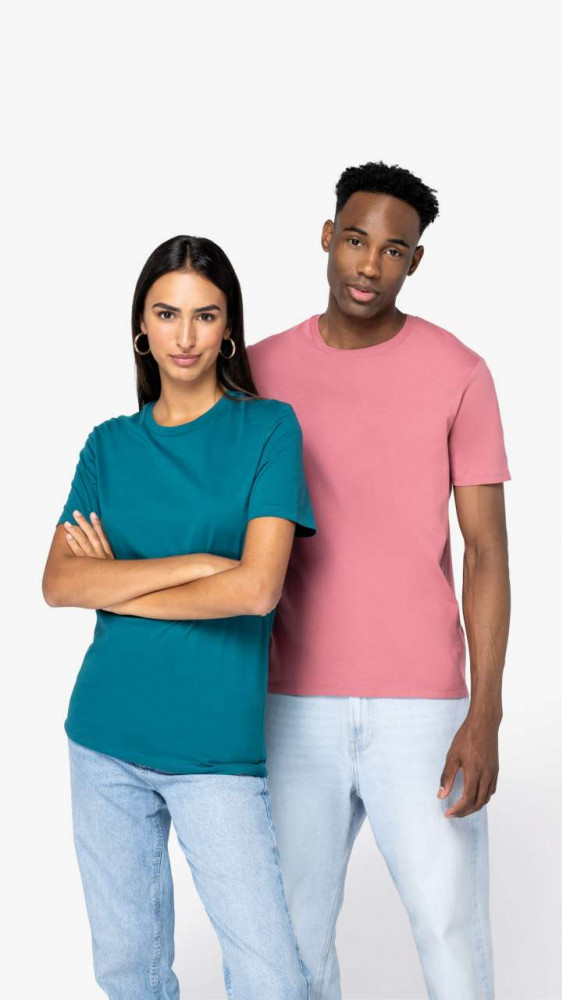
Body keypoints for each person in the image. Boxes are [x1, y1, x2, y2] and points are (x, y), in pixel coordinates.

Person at [247, 161, 511, 1000]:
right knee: (287, 942)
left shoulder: (458, 371)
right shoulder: (255, 371)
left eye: (393, 251)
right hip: (288, 703)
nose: (369, 265)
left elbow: (486, 551)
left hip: (423, 709)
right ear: (328, 237)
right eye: (356, 240)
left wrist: (485, 712)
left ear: (415, 262)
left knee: (449, 928)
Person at [41, 235, 316, 1000]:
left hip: (214, 751)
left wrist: (115, 585)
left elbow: (257, 590)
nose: (185, 335)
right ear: (142, 326)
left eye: (205, 315)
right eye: (167, 314)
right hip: (103, 739)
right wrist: (198, 563)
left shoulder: (269, 430)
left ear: (229, 328)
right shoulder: (109, 446)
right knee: (129, 975)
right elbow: (59, 583)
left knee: (271, 979)